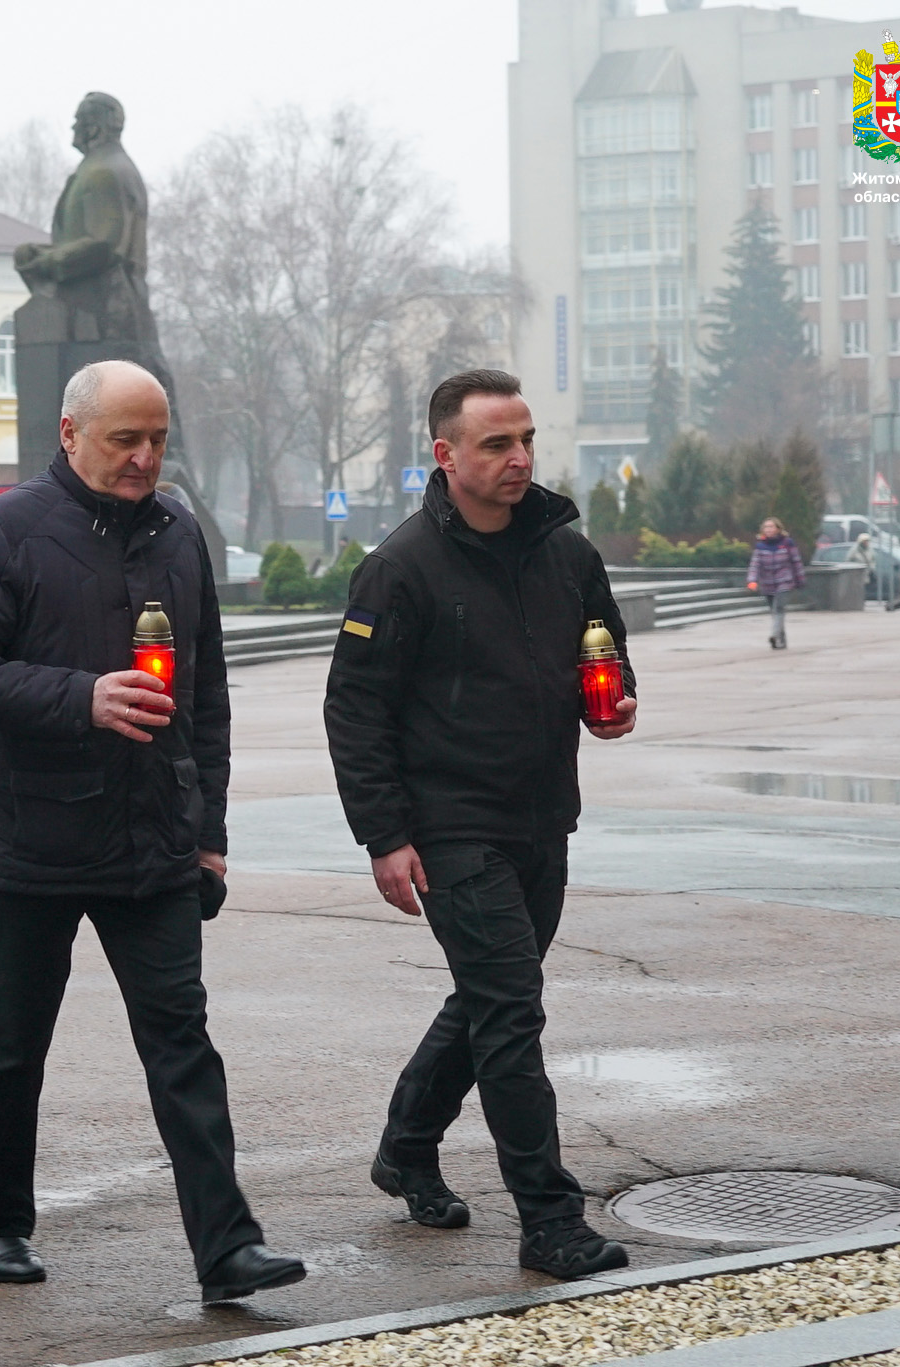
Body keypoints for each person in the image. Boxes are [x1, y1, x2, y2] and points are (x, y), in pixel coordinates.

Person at [0, 360, 304, 1305]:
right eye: (124, 439)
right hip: (31, 839)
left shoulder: (180, 532)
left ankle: (228, 1249)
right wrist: (81, 696)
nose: (143, 458)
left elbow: (204, 695)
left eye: (157, 440)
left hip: (156, 839)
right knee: (13, 1043)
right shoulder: (2, 531)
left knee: (183, 1043)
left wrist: (209, 830)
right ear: (69, 433)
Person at [324, 369, 638, 1281]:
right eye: (497, 443)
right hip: (450, 825)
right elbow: (355, 709)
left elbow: (606, 652)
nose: (519, 458)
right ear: (446, 453)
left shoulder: (567, 553)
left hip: (543, 818)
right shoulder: (399, 567)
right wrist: (384, 835)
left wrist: (614, 706)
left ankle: (407, 1144)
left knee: (491, 997)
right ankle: (550, 1220)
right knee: (510, 1009)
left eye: (526, 439)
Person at [746, 517, 807, 648]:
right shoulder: (760, 545)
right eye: (766, 527)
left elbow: (796, 562)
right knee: (774, 612)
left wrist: (800, 579)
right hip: (767, 583)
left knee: (778, 608)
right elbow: (755, 565)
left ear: (778, 529)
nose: (768, 529)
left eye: (771, 526)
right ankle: (781, 640)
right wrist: (752, 580)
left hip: (784, 581)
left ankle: (774, 635)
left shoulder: (787, 543)